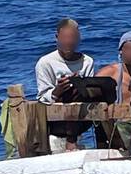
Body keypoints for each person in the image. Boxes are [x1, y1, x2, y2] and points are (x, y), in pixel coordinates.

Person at [35, 17, 97, 150]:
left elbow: (90, 91)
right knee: (69, 92)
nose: (69, 42)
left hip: (80, 118)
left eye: (73, 38)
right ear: (57, 37)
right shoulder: (45, 63)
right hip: (56, 121)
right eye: (65, 38)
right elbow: (42, 97)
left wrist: (80, 84)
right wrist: (58, 90)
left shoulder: (87, 61)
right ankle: (71, 139)